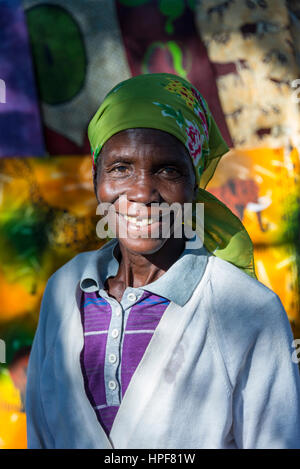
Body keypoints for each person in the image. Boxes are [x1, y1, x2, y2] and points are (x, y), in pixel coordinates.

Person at [25, 73, 300, 449]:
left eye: (168, 170)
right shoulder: (65, 291)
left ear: (194, 184)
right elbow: (40, 435)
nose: (141, 192)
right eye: (120, 168)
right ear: (96, 179)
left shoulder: (248, 309)